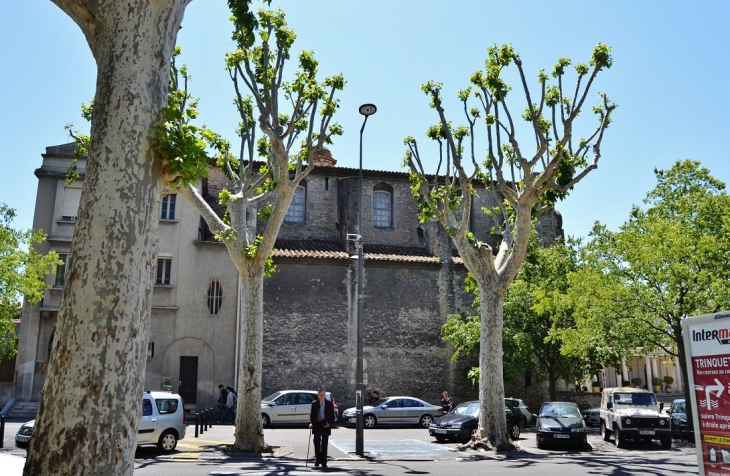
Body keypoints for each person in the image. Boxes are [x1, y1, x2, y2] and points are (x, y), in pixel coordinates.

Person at [309, 387, 335, 468]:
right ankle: (318, 460)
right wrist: (311, 423)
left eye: (323, 395)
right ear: (318, 395)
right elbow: (312, 415)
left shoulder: (330, 404)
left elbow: (333, 417)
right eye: (320, 395)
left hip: (325, 425)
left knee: (324, 444)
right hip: (317, 425)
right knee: (316, 442)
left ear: (325, 395)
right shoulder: (314, 403)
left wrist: (329, 424)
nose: (322, 397)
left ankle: (324, 461)